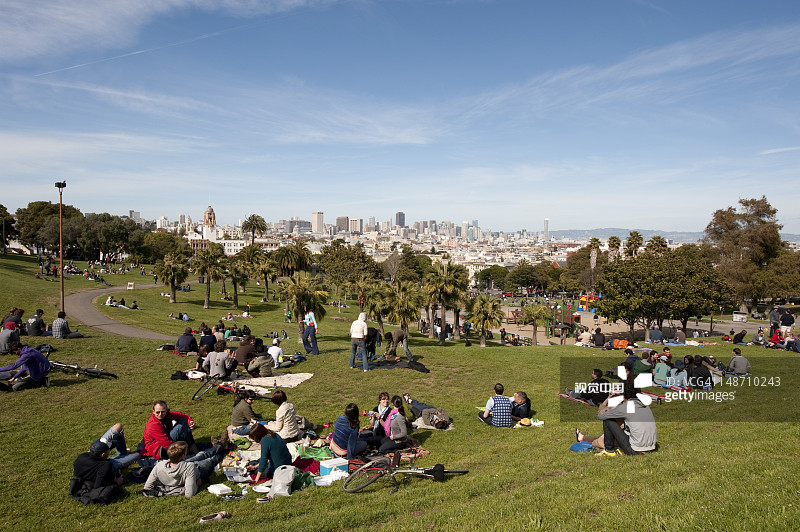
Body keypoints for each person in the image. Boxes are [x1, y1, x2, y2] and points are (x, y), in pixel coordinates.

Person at [595, 376, 657, 456]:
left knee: (608, 420)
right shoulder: (644, 404)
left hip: (635, 450)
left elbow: (600, 416)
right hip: (651, 447)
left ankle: (609, 450)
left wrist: (607, 407)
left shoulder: (626, 407)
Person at [142, 439, 226, 498]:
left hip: (180, 464)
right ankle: (224, 449)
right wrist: (197, 485)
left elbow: (147, 487)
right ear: (183, 455)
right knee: (210, 460)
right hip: (197, 469)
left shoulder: (160, 465)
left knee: (200, 455)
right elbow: (189, 494)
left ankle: (219, 445)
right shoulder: (189, 467)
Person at [71, 439, 123, 504]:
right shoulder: (105, 465)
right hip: (91, 484)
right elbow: (98, 485)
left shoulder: (82, 456)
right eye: (109, 450)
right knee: (134, 456)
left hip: (84, 481)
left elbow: (76, 472)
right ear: (103, 454)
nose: (110, 451)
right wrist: (117, 482)